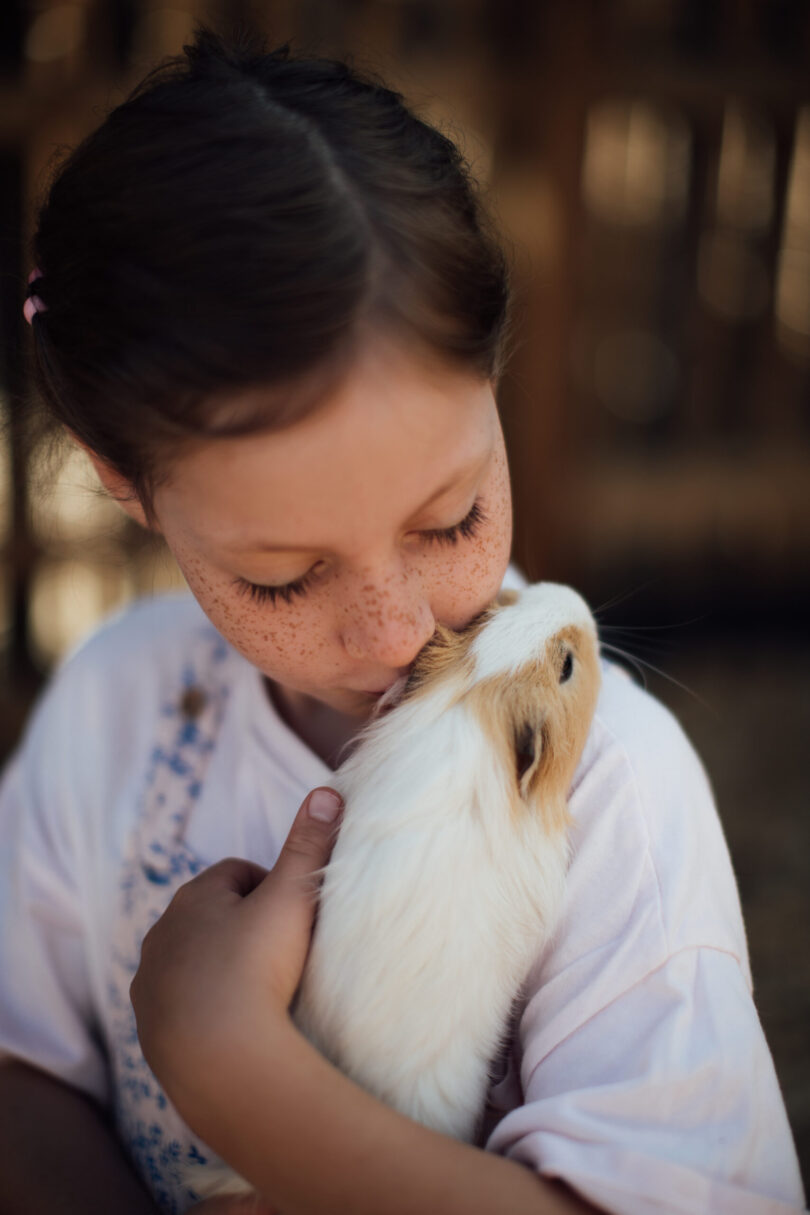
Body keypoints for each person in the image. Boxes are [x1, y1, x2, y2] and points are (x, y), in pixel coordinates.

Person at [0, 26, 804, 1215]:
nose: (390, 634)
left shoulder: (612, 793)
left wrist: (239, 1077)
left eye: (451, 518)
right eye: (282, 578)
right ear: (130, 487)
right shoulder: (119, 705)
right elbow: (22, 1070)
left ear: (495, 384)